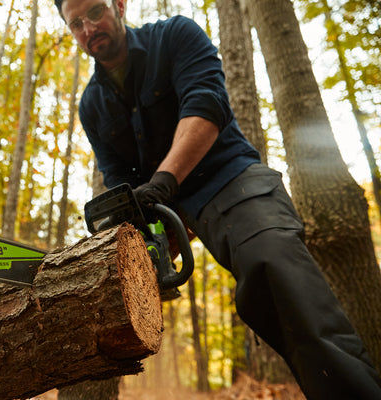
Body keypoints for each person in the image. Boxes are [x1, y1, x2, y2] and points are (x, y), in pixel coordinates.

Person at [54, 0, 381, 398]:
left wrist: (162, 182)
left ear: (120, 6)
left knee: (275, 269)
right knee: (107, 295)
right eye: (75, 23)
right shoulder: (91, 104)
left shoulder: (175, 35)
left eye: (94, 12)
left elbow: (207, 105)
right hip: (164, 207)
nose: (88, 28)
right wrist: (136, 228)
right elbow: (117, 174)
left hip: (228, 178)